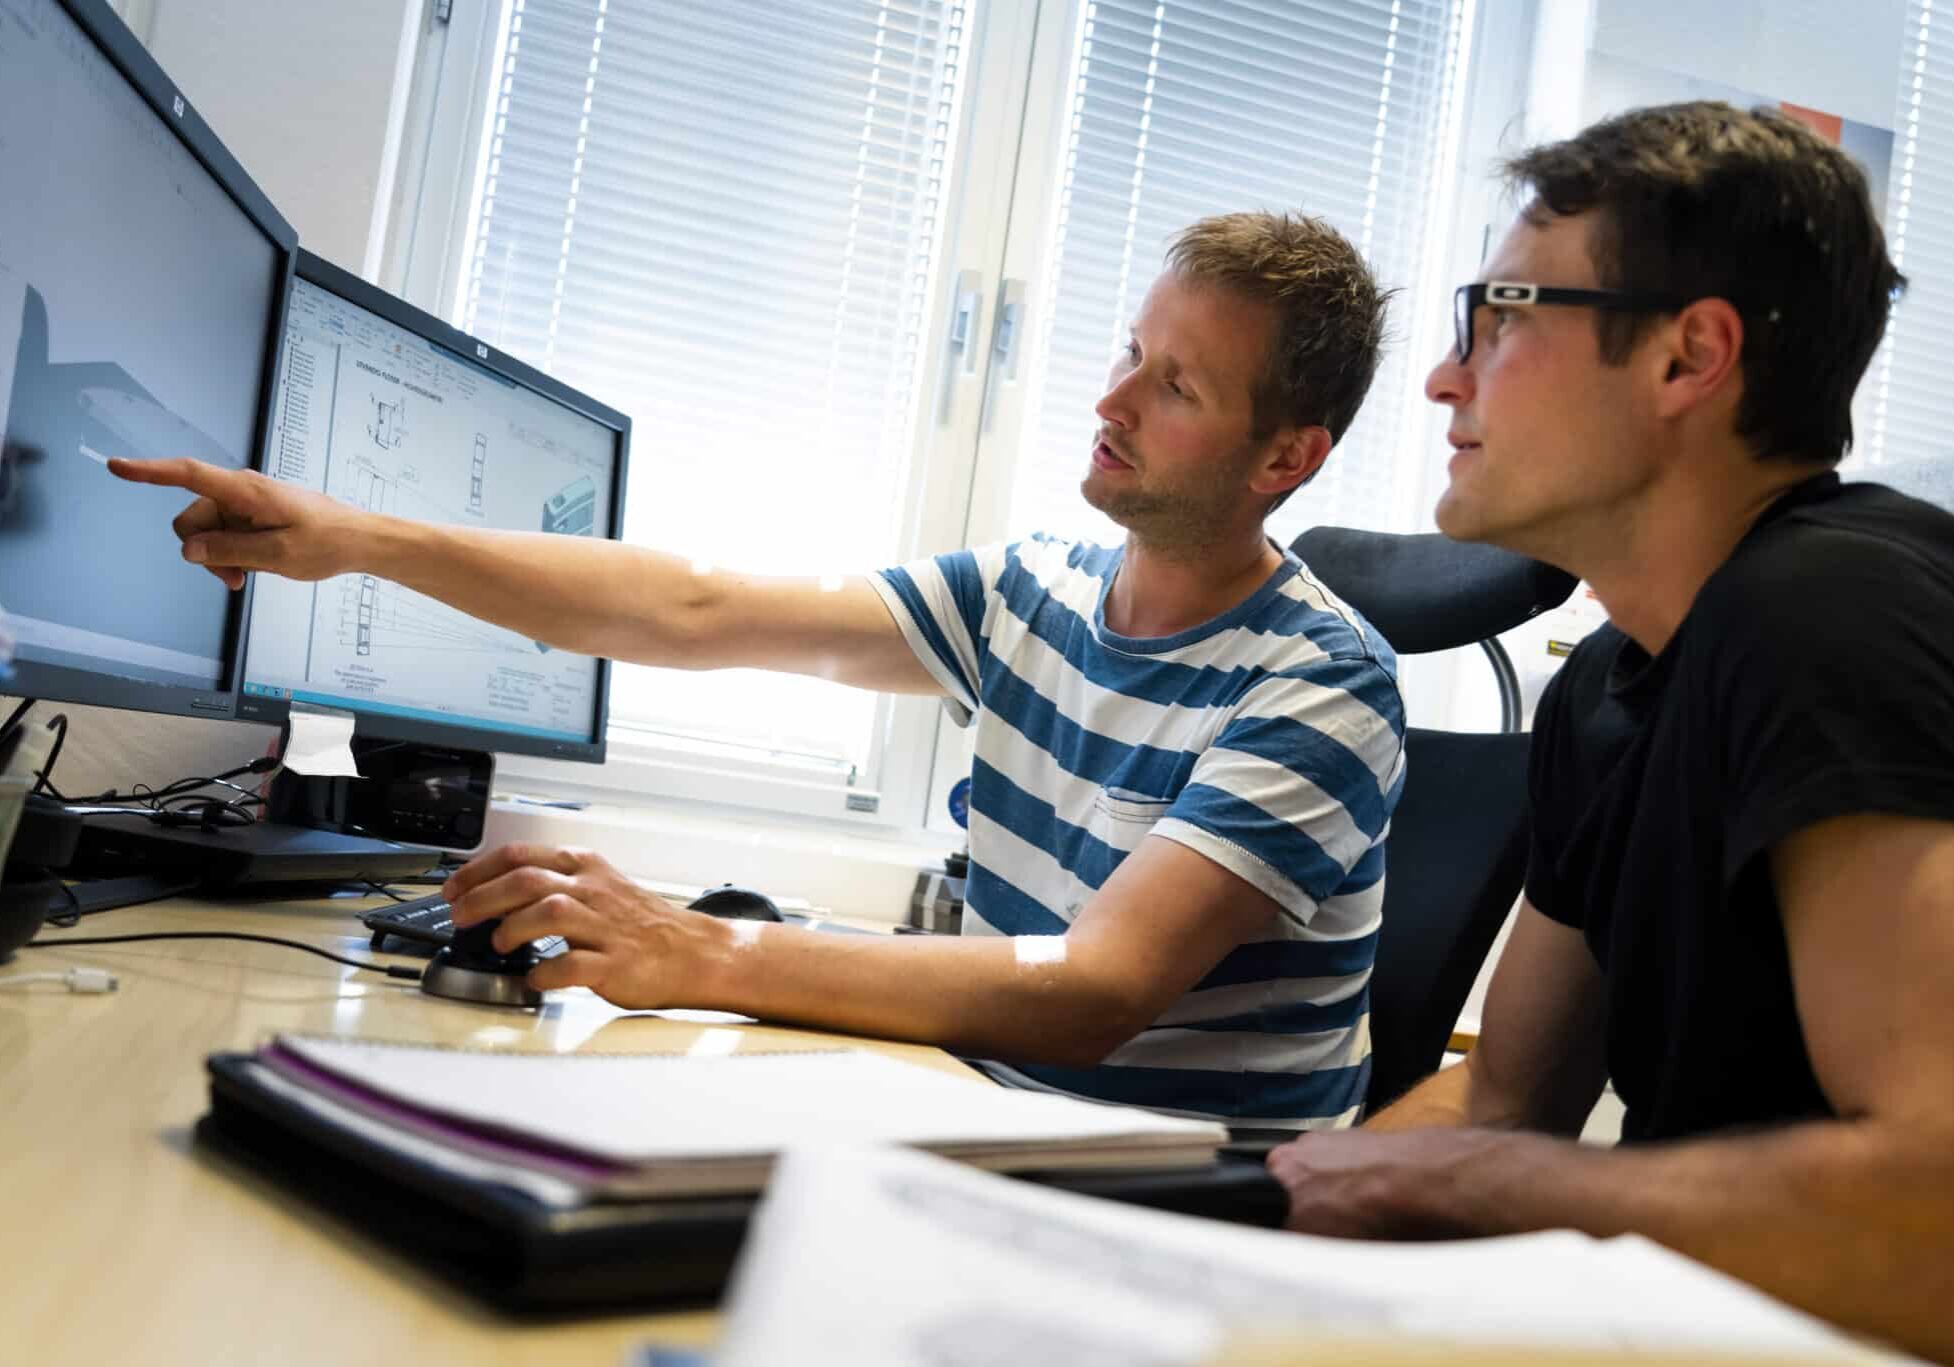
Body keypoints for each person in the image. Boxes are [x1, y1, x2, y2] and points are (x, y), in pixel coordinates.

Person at [114, 212, 1407, 1132]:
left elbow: (1090, 994)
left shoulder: (1319, 683)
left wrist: (700, 947)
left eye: (1171, 383)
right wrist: (354, 538)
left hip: (1181, 1205)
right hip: (996, 1123)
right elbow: (692, 608)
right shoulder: (1036, 592)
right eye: (1127, 350)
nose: (1111, 401)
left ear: (1283, 457)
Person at [1264, 102, 1954, 1361]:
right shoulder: (1609, 682)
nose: (1441, 376)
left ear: (1687, 359)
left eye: (1504, 315)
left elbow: (1936, 1207)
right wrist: (1256, 1238)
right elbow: (1507, 1094)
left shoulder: (1826, 618)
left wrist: (1475, 1188)